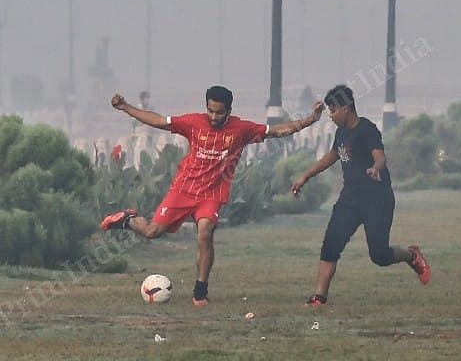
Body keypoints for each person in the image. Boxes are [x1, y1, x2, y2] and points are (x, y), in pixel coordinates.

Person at [100, 86, 324, 307]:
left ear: (228, 110)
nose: (214, 116)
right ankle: (127, 219)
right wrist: (125, 107)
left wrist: (310, 120)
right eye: (210, 110)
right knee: (151, 232)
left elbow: (277, 131)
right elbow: (158, 121)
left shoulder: (242, 129)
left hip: (212, 195)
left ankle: (200, 291)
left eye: (219, 112)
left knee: (205, 231)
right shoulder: (193, 123)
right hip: (183, 190)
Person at [290, 84, 430, 307]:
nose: (331, 116)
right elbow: (332, 156)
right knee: (330, 245)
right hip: (350, 199)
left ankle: (411, 255)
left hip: (378, 199)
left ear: (346, 108)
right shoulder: (341, 132)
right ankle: (319, 297)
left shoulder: (367, 129)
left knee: (379, 255)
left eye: (333, 111)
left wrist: (376, 168)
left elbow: (380, 156)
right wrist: (306, 176)